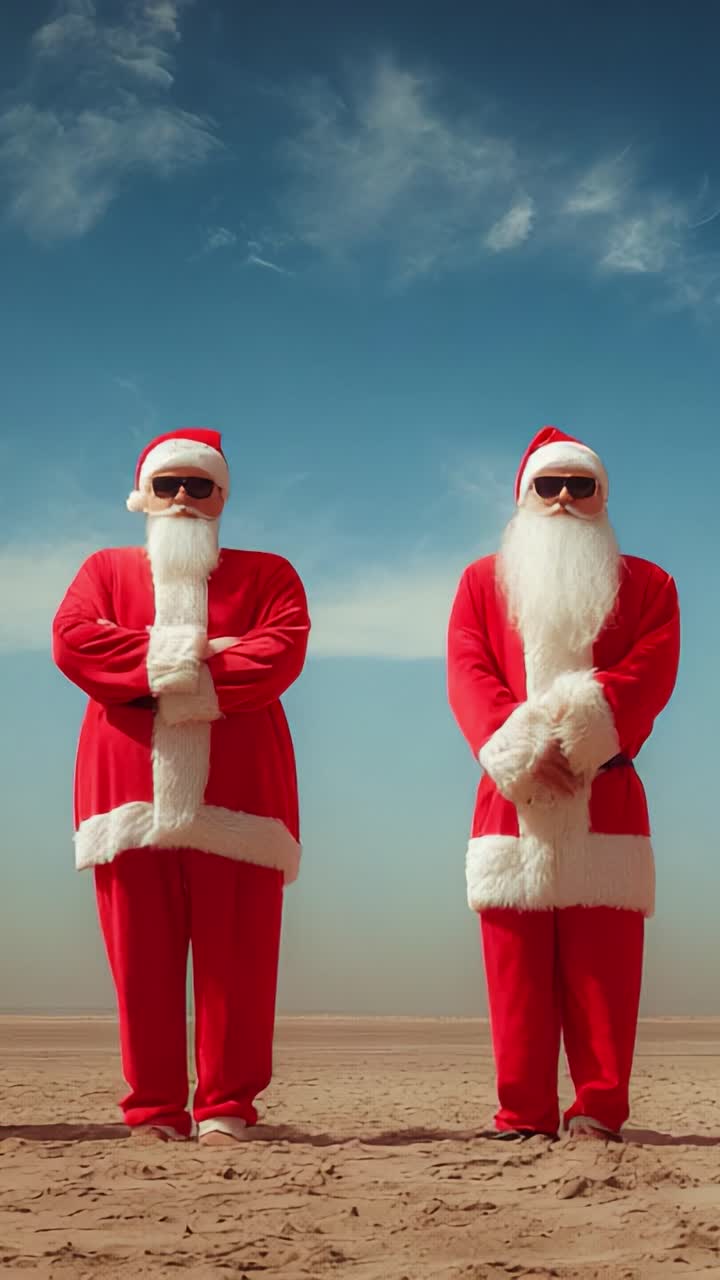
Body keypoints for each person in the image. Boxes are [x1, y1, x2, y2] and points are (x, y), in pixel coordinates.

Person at [53, 427, 310, 1145]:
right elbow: (76, 642)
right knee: (139, 964)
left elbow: (278, 654)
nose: (182, 500)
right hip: (125, 793)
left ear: (222, 496)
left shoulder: (270, 575)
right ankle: (155, 1111)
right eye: (168, 486)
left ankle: (228, 1106)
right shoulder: (103, 569)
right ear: (144, 496)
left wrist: (151, 670)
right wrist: (201, 655)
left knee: (241, 966)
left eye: (199, 487)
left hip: (242, 797)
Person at [447, 426, 680, 1143]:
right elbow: (467, 670)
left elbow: (652, 669)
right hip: (510, 795)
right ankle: (521, 1114)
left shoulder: (650, 585)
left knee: (604, 974)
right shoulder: (480, 583)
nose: (565, 499)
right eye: (550, 486)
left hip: (605, 789)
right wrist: (515, 747)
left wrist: (579, 732)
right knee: (514, 970)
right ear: (525, 497)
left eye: (582, 487)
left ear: (603, 497)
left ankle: (599, 1111)